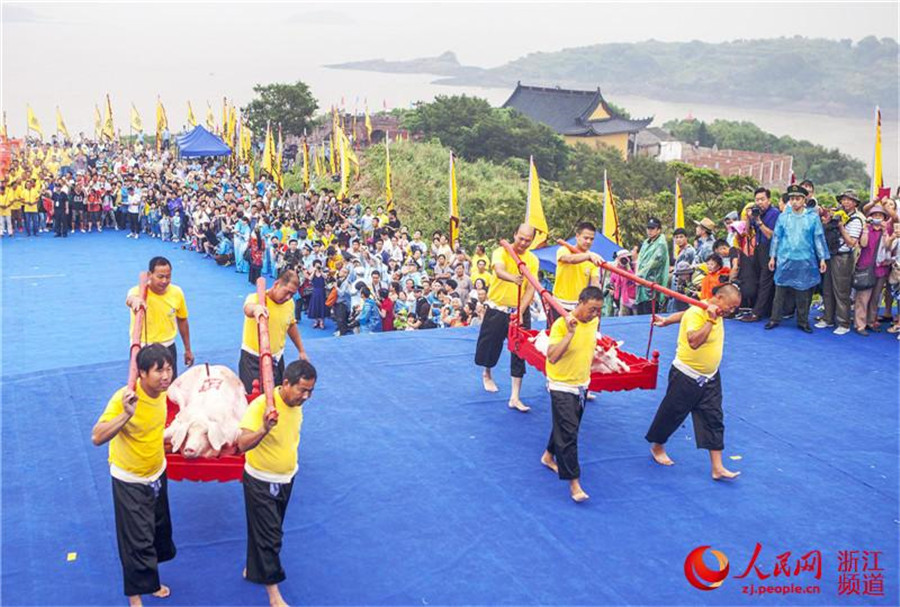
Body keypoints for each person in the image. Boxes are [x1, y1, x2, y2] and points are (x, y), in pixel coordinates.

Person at [91, 344, 176, 607]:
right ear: (140, 373)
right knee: (135, 541)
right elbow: (97, 436)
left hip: (156, 473)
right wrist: (126, 416)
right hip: (130, 479)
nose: (166, 375)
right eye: (159, 371)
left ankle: (151, 581)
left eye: (169, 368)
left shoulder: (164, 393)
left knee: (156, 532)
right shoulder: (124, 398)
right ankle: (135, 596)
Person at [237, 359, 318, 607]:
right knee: (270, 536)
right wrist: (263, 429)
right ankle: (274, 595)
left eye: (310, 391)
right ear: (285, 384)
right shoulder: (261, 406)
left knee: (266, 530)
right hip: (261, 481)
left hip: (286, 478)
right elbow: (241, 444)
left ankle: (253, 569)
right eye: (302, 390)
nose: (305, 396)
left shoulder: (296, 404)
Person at [645, 284, 742, 481]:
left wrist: (667, 320)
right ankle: (657, 446)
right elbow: (694, 342)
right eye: (730, 307)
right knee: (671, 414)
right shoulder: (701, 313)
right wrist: (710, 321)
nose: (731, 312)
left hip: (711, 377)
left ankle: (717, 467)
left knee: (714, 418)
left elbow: (683, 314)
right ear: (720, 297)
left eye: (734, 309)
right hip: (686, 375)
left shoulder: (708, 309)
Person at [540, 286, 604, 503]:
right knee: (569, 434)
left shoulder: (594, 322)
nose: (595, 314)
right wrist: (570, 333)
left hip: (581, 384)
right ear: (580, 303)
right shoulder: (561, 324)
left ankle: (549, 455)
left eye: (599, 310)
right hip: (561, 385)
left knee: (569, 425)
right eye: (592, 309)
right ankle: (574, 482)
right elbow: (553, 357)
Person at [474, 224, 538, 413]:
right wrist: (514, 278)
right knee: (490, 344)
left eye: (528, 240)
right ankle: (487, 373)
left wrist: (521, 311)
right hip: (497, 308)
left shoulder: (533, 259)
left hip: (519, 310)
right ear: (515, 234)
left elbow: (531, 288)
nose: (523, 243)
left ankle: (515, 396)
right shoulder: (501, 251)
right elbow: (499, 271)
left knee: (520, 351)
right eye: (521, 238)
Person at [765, 185, 828, 333]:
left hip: (806, 261)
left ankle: (803, 321)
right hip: (785, 259)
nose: (794, 202)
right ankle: (774, 319)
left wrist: (822, 259)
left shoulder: (812, 218)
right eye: (792, 198)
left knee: (804, 294)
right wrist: (772, 257)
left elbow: (818, 238)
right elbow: (776, 238)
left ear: (804, 200)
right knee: (779, 292)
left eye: (798, 198)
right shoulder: (783, 217)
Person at [240, 269, 309, 394]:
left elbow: (291, 325)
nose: (288, 297)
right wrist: (256, 309)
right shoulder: (256, 298)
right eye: (287, 292)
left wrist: (301, 350)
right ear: (277, 284)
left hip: (277, 358)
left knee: (277, 398)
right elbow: (247, 309)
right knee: (254, 400)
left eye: (292, 295)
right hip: (252, 359)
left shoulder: (290, 304)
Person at [125, 257, 194, 377]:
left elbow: (182, 320)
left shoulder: (177, 292)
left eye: (168, 276)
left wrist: (187, 349)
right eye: (160, 276)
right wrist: (135, 301)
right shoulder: (137, 291)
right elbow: (130, 299)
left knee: (168, 387)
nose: (164, 281)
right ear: (150, 275)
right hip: (143, 348)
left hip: (168, 347)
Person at [824, 190, 866, 335]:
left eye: (849, 200)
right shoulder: (838, 213)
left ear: (855, 203)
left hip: (843, 257)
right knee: (827, 288)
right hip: (831, 254)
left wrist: (841, 226)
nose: (846, 202)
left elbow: (851, 242)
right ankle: (828, 318)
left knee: (842, 291)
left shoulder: (856, 220)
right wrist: (829, 218)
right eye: (844, 199)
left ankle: (844, 322)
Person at [740, 188, 780, 322]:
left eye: (762, 199)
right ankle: (762, 309)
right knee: (757, 279)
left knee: (765, 281)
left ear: (769, 200)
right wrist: (748, 217)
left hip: (770, 249)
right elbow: (746, 232)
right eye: (757, 200)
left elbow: (771, 235)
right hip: (758, 248)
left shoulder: (774, 213)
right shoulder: (757, 213)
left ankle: (757, 313)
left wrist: (758, 221)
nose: (759, 202)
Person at [552, 221, 602, 318]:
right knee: (556, 332)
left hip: (578, 306)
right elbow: (569, 259)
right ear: (577, 236)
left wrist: (596, 301)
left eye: (591, 239)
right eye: (585, 238)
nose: (588, 242)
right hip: (559, 304)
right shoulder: (564, 249)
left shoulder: (593, 259)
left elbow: (595, 282)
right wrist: (588, 256)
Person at [853, 205, 889, 335]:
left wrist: (885, 231)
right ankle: (860, 324)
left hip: (881, 268)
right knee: (863, 297)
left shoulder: (886, 232)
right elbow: (863, 244)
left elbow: (887, 247)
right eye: (875, 216)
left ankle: (871, 321)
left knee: (875, 297)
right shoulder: (867, 229)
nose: (877, 218)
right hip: (866, 266)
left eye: (880, 216)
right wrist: (865, 228)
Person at [633, 217, 669, 315]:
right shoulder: (646, 242)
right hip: (641, 285)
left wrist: (639, 276)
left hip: (652, 286)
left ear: (659, 230)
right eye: (648, 228)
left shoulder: (661, 244)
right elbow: (639, 261)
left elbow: (654, 263)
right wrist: (637, 275)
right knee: (640, 314)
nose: (650, 231)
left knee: (649, 315)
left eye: (652, 228)